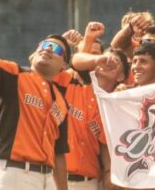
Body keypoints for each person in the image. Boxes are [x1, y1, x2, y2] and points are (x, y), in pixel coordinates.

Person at [0, 5, 70, 190]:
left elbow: (59, 152)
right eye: (43, 45)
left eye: (55, 48)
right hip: (14, 173)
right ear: (34, 53)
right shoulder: (15, 75)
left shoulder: (62, 103)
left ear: (63, 65)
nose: (47, 49)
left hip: (47, 177)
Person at [54, 48, 130, 190]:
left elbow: (105, 145)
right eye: (105, 58)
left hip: (88, 183)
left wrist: (108, 171)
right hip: (55, 178)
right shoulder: (71, 85)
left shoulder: (114, 107)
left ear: (120, 77)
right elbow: (75, 60)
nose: (108, 62)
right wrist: (97, 58)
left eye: (115, 61)